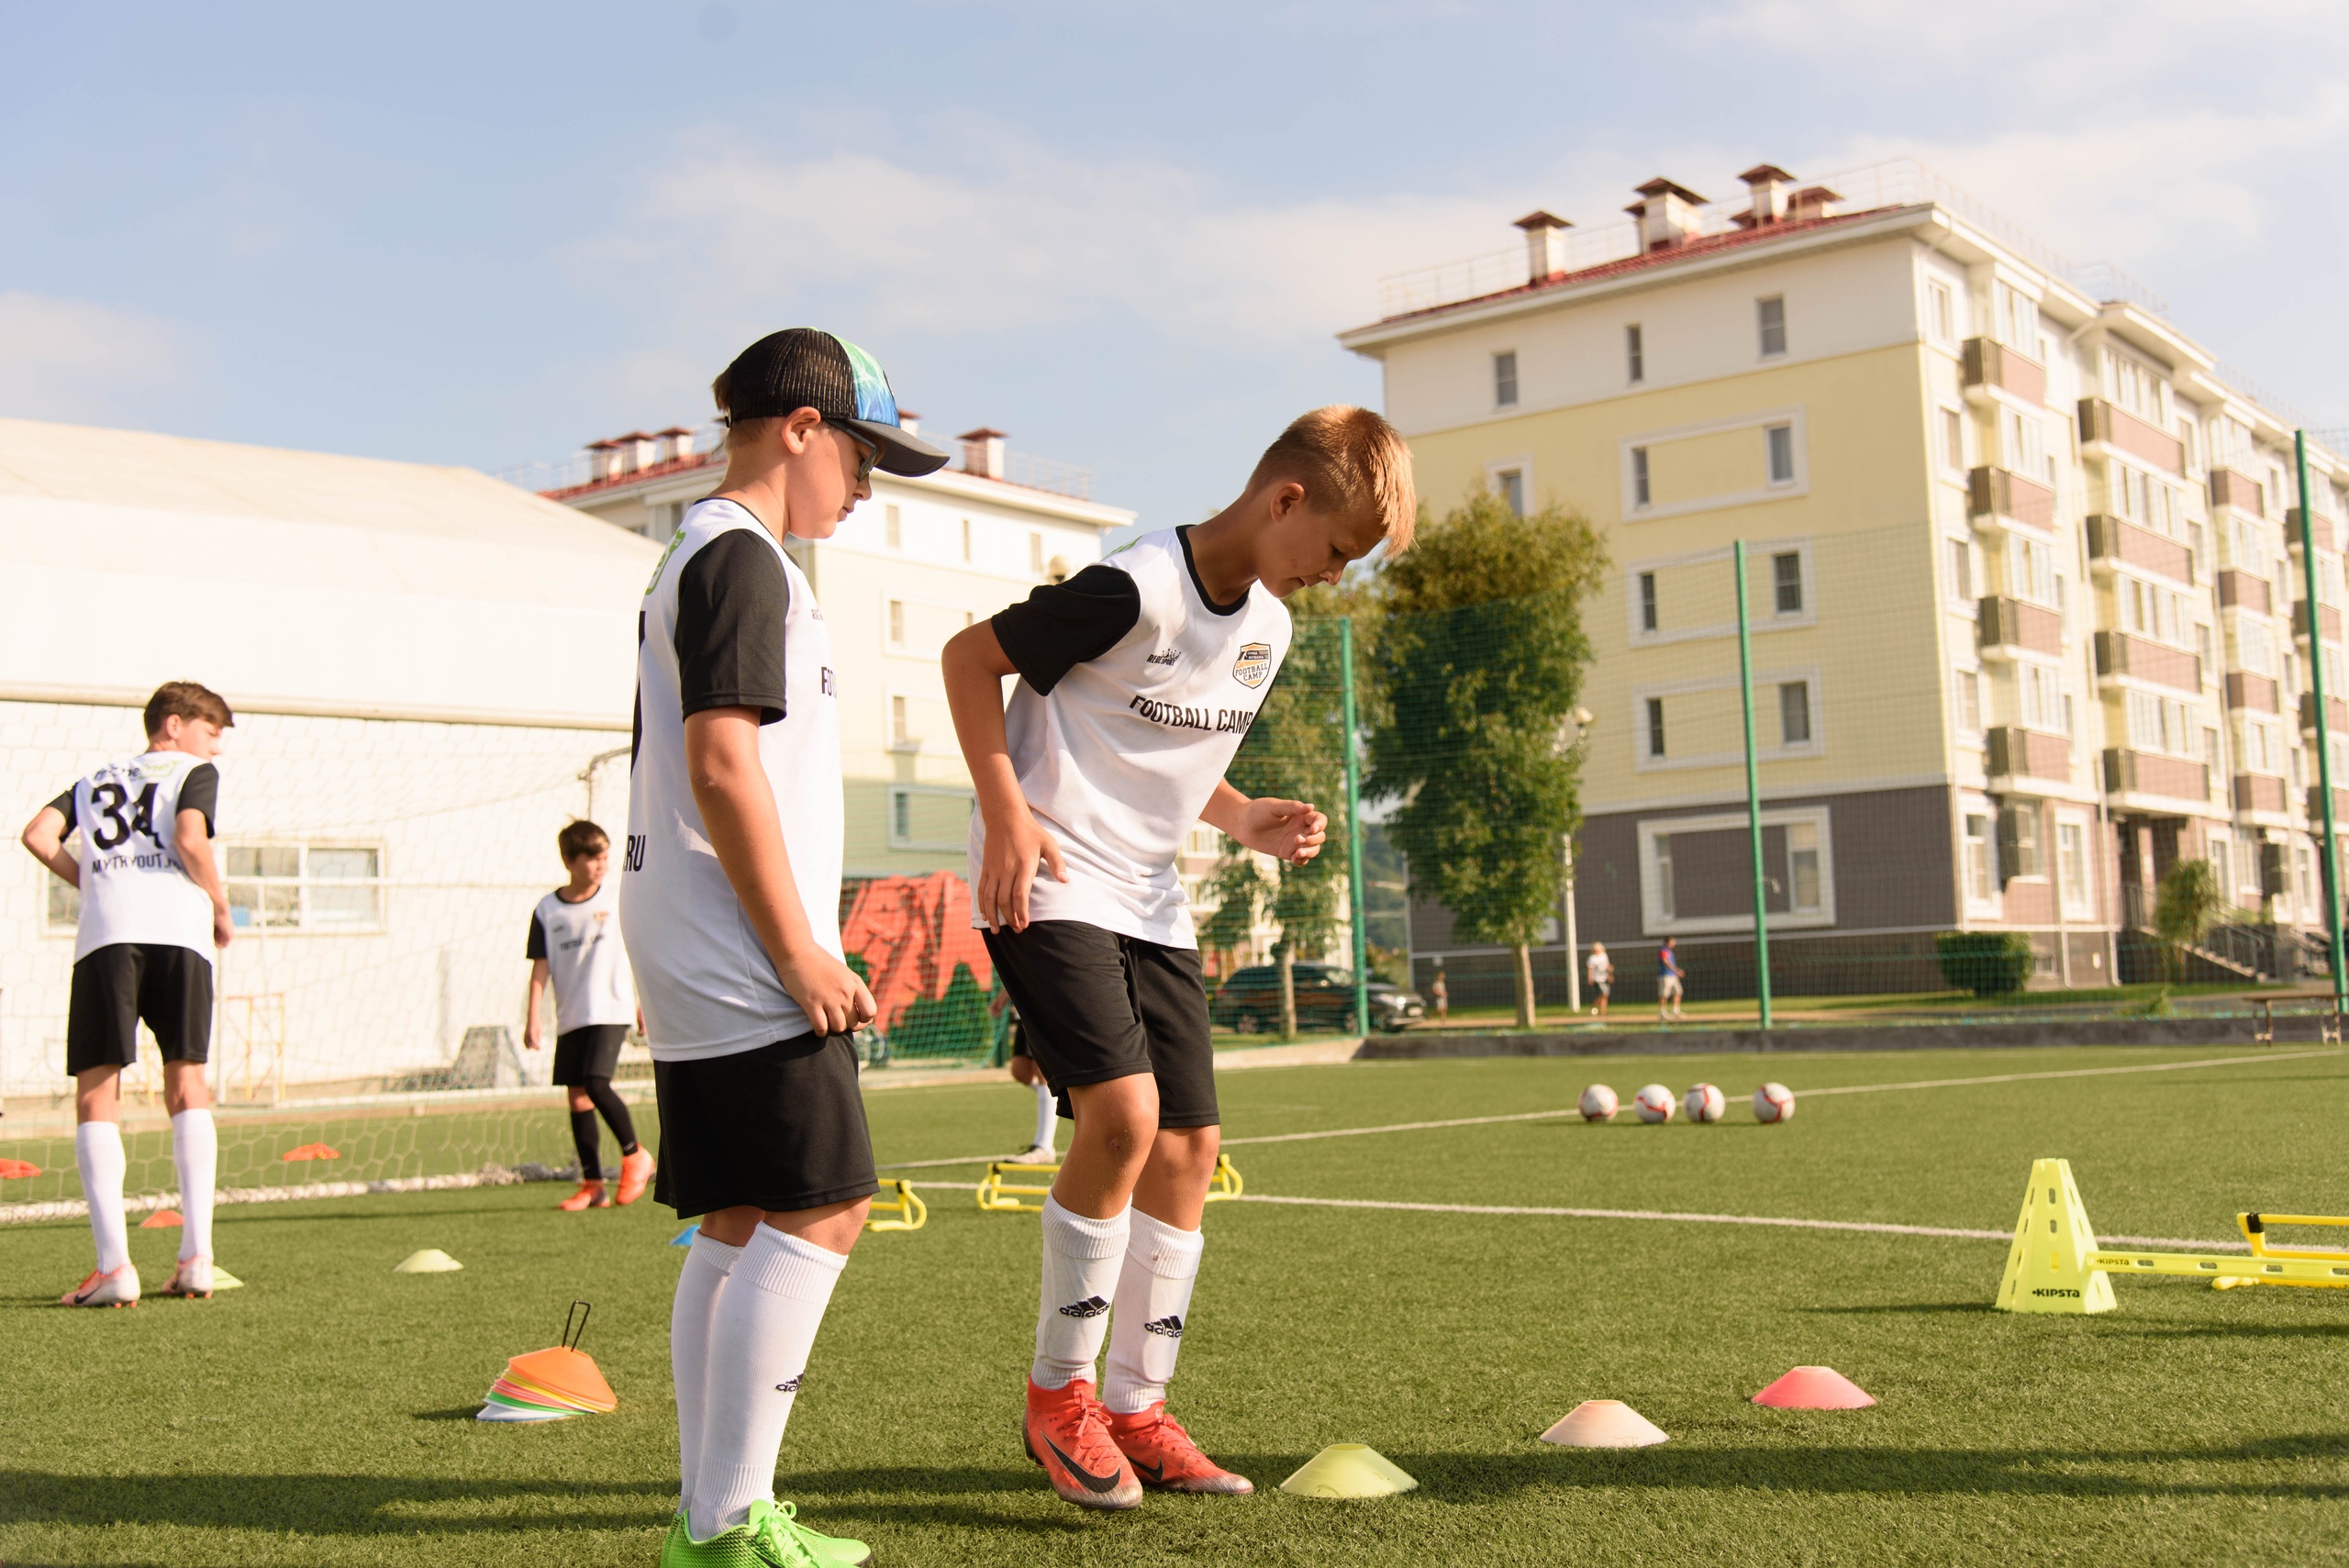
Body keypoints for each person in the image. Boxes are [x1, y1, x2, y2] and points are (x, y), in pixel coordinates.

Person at [943, 406, 1415, 1511]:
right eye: (1337, 551)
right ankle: (1057, 1394)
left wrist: (1244, 815)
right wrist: (1005, 813)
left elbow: (1162, 747)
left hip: (1148, 899)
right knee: (1121, 1118)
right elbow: (970, 662)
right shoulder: (1132, 585)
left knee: (1192, 1142)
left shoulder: (1271, 627)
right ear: (1283, 501)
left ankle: (1136, 1407)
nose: (1334, 576)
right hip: (1050, 877)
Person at [622, 328, 947, 1567]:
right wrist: (804, 947)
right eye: (863, 457)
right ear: (802, 430)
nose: (866, 487)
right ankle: (726, 1520)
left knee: (742, 1214)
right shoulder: (745, 561)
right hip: (736, 938)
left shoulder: (702, 558)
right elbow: (718, 764)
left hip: (691, 929)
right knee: (825, 1209)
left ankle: (710, 1510)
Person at [20, 682, 236, 1306]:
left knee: (97, 1092)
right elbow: (192, 839)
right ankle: (196, 1258)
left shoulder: (92, 780)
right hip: (181, 934)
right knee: (188, 1082)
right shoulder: (190, 772)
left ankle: (114, 1267)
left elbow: (38, 834)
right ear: (173, 725)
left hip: (108, 937)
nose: (214, 746)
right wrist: (221, 906)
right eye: (209, 729)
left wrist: (90, 880)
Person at [523, 818, 653, 1211]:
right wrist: (533, 1016)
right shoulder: (547, 910)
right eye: (593, 858)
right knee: (577, 1098)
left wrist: (644, 1000)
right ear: (569, 860)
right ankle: (593, 1184)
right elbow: (540, 968)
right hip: (571, 1016)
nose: (601, 864)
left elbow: (639, 949)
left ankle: (635, 1156)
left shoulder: (615, 899)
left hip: (610, 1010)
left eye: (605, 856)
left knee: (597, 1083)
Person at [1003, 1006, 1057, 1163]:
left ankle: (1044, 1146)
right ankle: (1064, 1100)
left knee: (1042, 1071)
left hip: (1045, 1006)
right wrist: (1003, 998)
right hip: (1026, 1009)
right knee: (1020, 1071)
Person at [1658, 937, 1686, 1021]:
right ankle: (1662, 1013)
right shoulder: (1663, 950)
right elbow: (1665, 962)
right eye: (1673, 942)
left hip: (1673, 976)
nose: (1674, 943)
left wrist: (1675, 972)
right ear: (1667, 942)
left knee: (1678, 992)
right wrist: (1677, 970)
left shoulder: (1670, 951)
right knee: (1664, 994)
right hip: (1665, 975)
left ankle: (1675, 1011)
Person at [1585, 942, 1612, 1017]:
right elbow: (1590, 969)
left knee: (1605, 996)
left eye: (1597, 949)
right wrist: (1590, 978)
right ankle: (1593, 1008)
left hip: (1604, 978)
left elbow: (1607, 966)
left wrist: (1610, 975)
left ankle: (1602, 1012)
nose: (1596, 951)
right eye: (1594, 950)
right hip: (1597, 979)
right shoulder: (1592, 958)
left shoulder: (1604, 956)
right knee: (1603, 994)